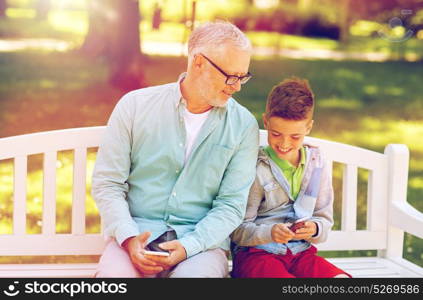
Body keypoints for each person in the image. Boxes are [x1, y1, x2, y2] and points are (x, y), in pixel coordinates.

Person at [91, 21, 259, 278]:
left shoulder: (243, 125)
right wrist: (128, 237)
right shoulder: (134, 106)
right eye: (230, 76)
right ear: (199, 62)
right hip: (134, 234)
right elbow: (108, 184)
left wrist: (189, 246)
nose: (236, 86)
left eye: (243, 77)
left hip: (200, 245)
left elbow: (231, 205)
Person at [230, 77, 351, 278]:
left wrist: (314, 229)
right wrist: (270, 232)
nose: (284, 144)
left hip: (300, 254)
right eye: (276, 134)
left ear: (308, 128)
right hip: (257, 255)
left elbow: (323, 218)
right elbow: (237, 230)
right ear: (266, 122)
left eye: (295, 137)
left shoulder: (317, 163)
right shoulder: (254, 166)